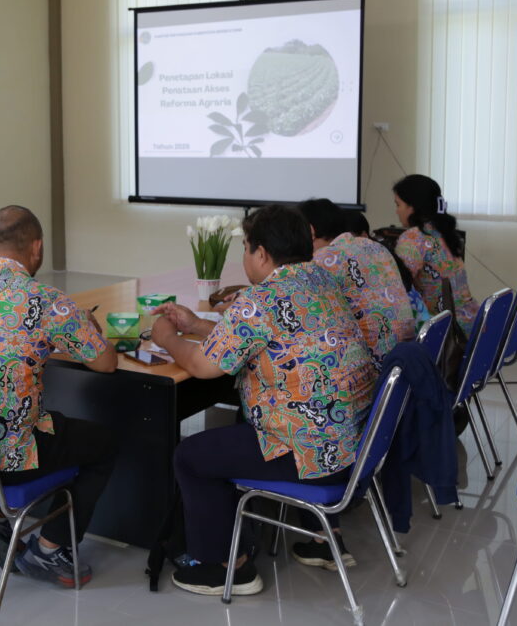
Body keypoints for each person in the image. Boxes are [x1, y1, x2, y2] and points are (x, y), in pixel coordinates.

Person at [151, 205, 376, 596]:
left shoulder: (261, 299)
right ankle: (251, 542)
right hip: (352, 450)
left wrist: (166, 337)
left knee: (191, 456)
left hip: (308, 456)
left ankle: (226, 567)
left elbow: (204, 367)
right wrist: (194, 325)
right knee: (230, 433)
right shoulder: (321, 281)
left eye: (246, 248)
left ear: (261, 254)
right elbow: (266, 336)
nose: (245, 257)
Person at [0, 205, 118, 588]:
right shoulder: (48, 301)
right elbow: (105, 363)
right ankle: (51, 550)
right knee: (103, 442)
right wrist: (83, 327)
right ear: (38, 248)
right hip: (10, 456)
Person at [297, 198, 415, 364]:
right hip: (405, 360)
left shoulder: (324, 260)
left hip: (372, 368)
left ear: (311, 231)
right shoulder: (374, 246)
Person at [392, 174, 480, 336]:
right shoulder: (446, 233)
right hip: (471, 322)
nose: (396, 211)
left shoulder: (414, 238)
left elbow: (397, 286)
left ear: (412, 207)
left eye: (398, 205)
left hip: (445, 330)